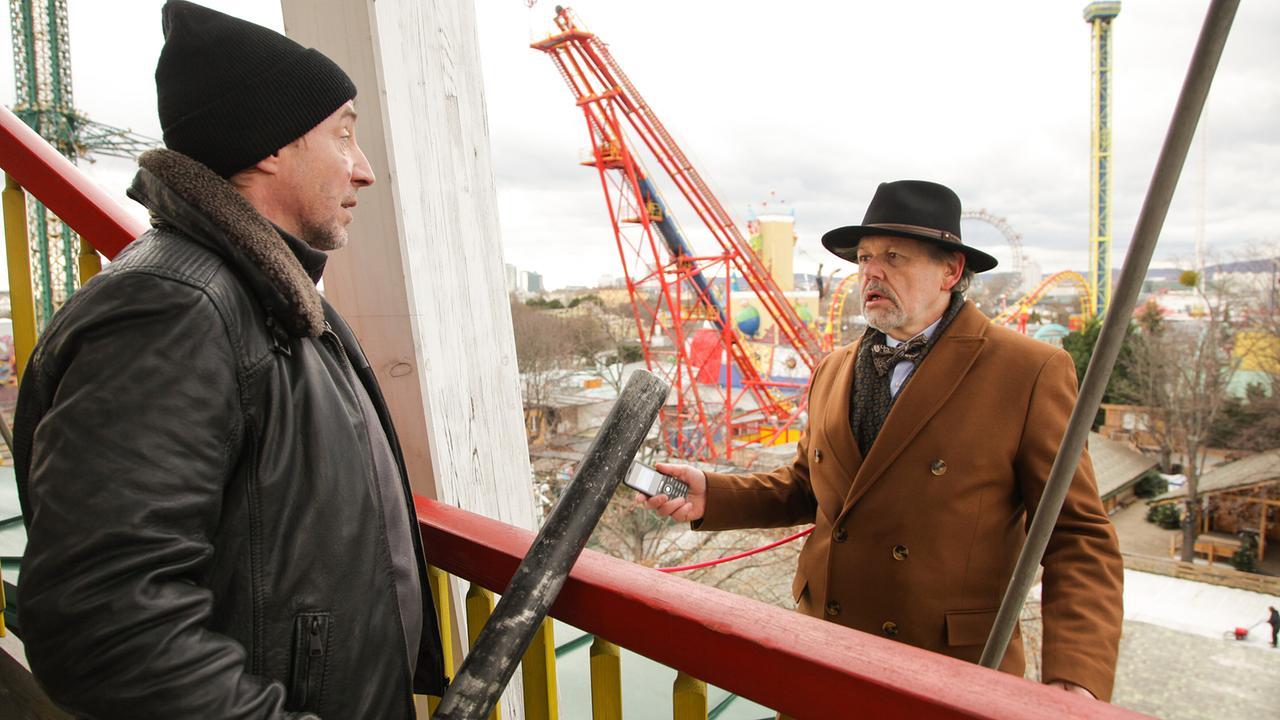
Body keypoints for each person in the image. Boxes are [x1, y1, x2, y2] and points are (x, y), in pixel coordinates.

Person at [12, 2, 446, 717]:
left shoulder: (263, 290)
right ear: (271, 144)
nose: (363, 169)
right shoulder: (176, 310)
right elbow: (105, 622)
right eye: (343, 134)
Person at [643, 180, 1125, 701]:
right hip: (825, 647)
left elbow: (1077, 533)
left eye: (894, 256)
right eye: (865, 258)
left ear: (951, 270)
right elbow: (811, 487)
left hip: (950, 672)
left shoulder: (1028, 372)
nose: (871, 272)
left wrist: (1074, 676)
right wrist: (712, 495)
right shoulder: (833, 369)